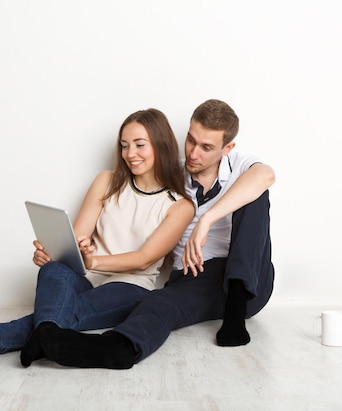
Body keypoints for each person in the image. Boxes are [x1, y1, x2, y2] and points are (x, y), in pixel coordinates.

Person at [39, 99, 275, 369]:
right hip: (194, 276)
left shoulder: (240, 167)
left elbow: (266, 175)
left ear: (227, 148)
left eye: (207, 147)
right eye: (190, 140)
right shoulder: (172, 173)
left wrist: (207, 219)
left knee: (255, 197)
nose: (194, 153)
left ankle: (235, 309)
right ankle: (116, 347)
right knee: (158, 302)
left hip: (249, 283)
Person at [0, 108, 195, 367]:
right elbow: (78, 236)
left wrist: (95, 262)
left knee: (73, 308)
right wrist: (53, 251)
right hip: (86, 276)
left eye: (139, 145)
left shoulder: (179, 206)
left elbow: (143, 259)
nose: (130, 154)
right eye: (124, 146)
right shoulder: (107, 181)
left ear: (161, 146)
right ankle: (38, 335)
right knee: (54, 269)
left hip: (131, 286)